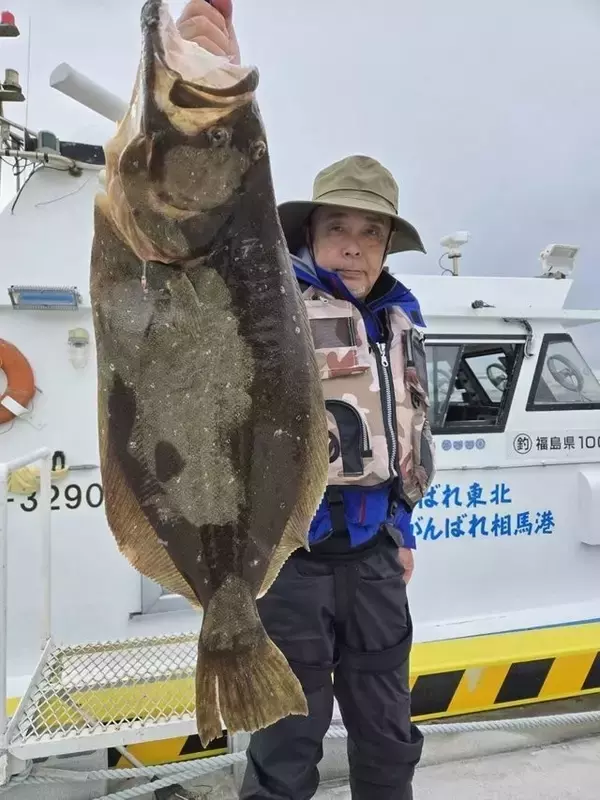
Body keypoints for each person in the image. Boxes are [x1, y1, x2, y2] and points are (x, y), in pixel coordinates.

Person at [177, 3, 436, 799]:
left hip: (374, 564)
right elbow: (206, 232)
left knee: (389, 734)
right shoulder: (268, 298)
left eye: (371, 231)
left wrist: (399, 528)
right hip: (286, 565)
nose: (353, 245)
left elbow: (410, 429)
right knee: (287, 744)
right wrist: (206, 82)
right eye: (337, 228)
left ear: (388, 243)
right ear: (309, 236)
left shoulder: (403, 315)